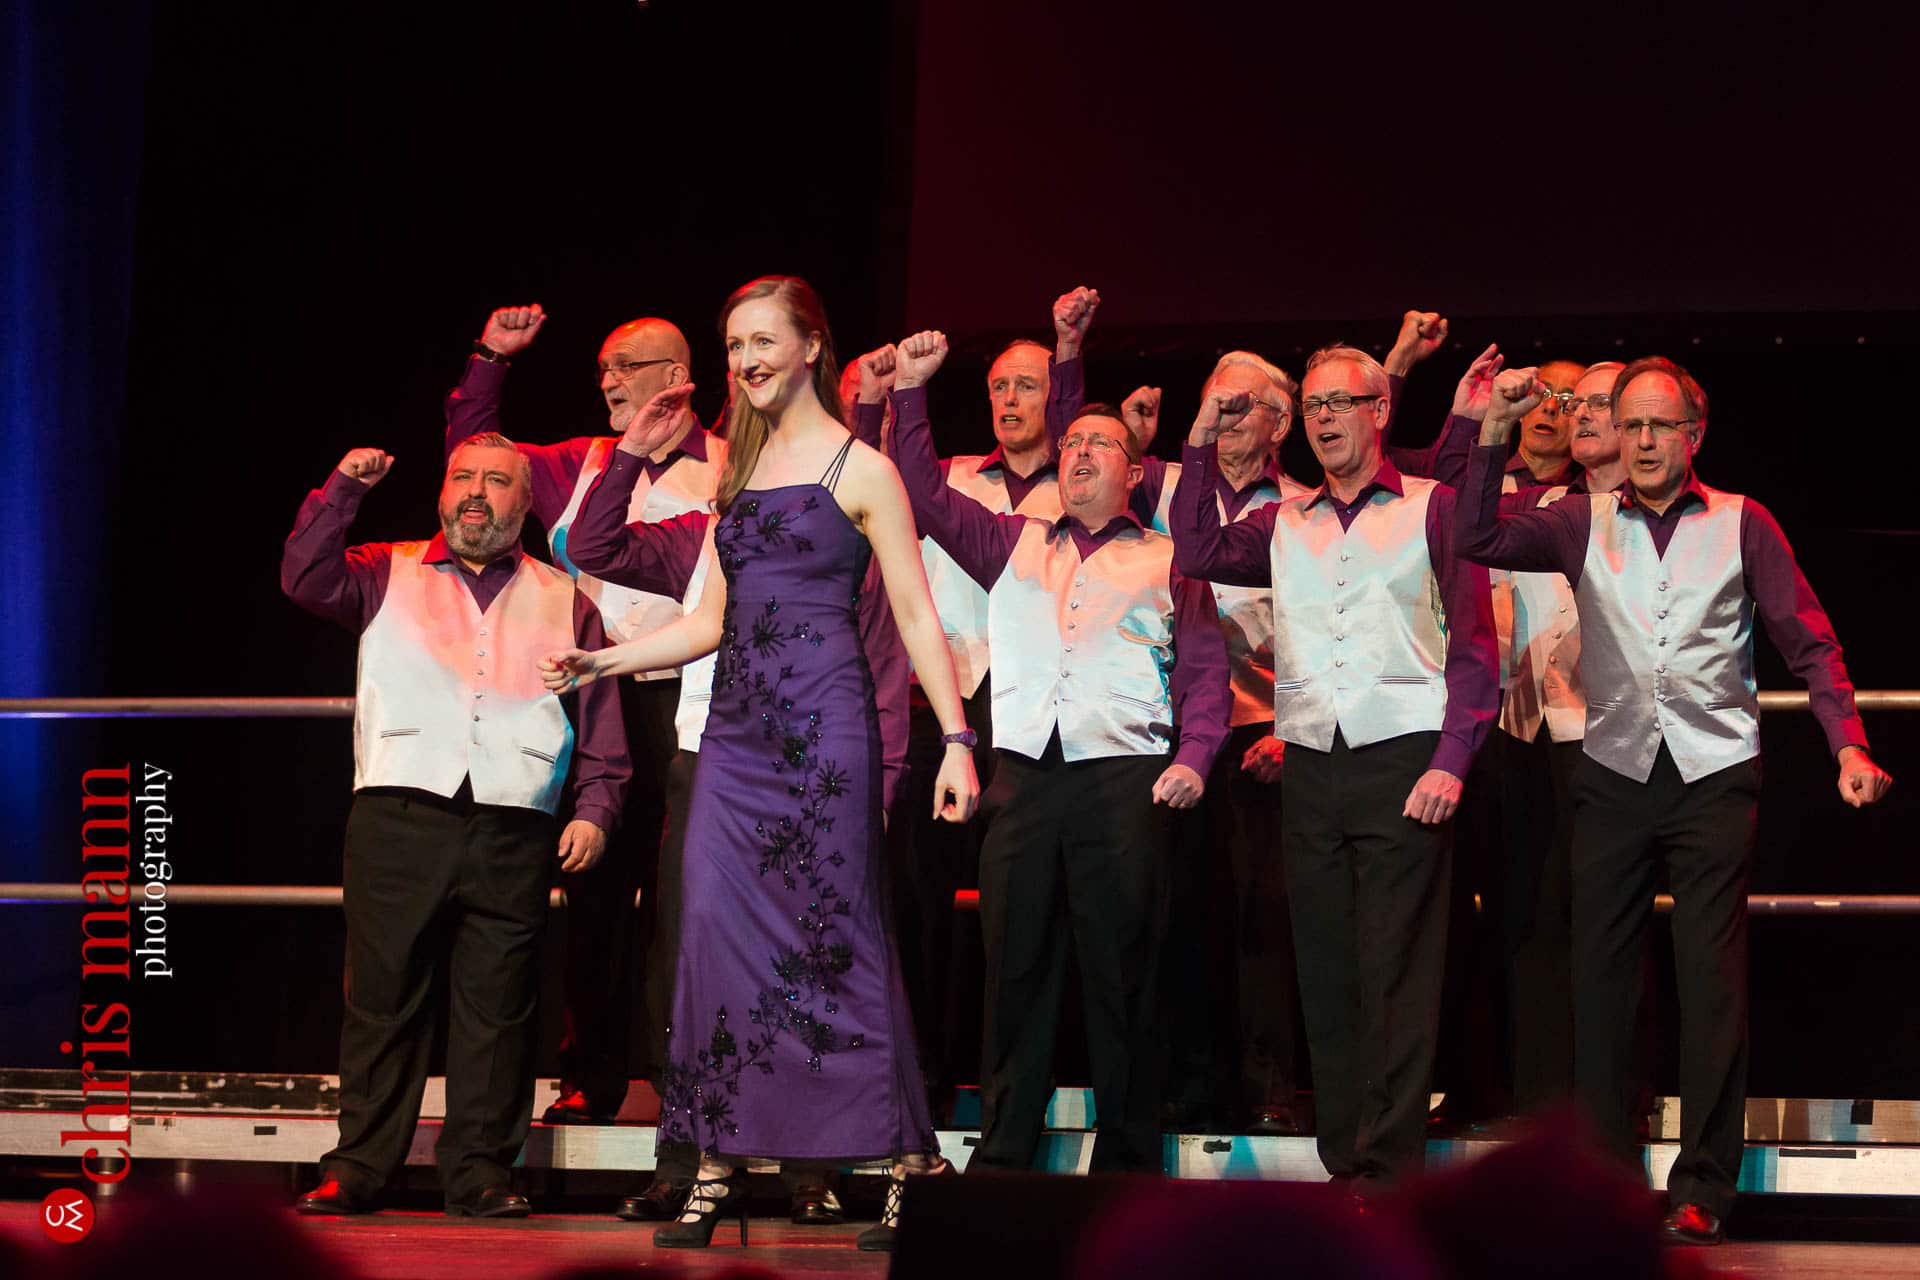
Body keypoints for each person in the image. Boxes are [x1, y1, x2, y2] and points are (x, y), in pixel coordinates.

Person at [541, 276, 978, 1254]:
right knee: (711, 944)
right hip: (733, 743)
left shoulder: (862, 468)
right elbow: (707, 620)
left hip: (823, 736)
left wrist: (956, 739)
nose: (745, 360)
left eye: (762, 341)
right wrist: (602, 657)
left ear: (813, 345)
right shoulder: (735, 470)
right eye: (733, 343)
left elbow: (915, 614)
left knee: (841, 946)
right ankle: (712, 1163)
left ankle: (908, 1162)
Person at [1456, 358, 1893, 1244]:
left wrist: (1848, 741)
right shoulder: (1579, 518)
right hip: (1614, 772)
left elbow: (1806, 638)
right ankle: (1609, 1189)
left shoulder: (1743, 522)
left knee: (1709, 979)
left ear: (1694, 435)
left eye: (1662, 426)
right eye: (1633, 425)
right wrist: (1488, 430)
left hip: (1713, 774)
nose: (1645, 441)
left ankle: (1703, 1187)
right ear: (1615, 433)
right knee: (1600, 982)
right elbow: (1473, 536)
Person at [886, 328, 1232, 1175]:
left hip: (1125, 781)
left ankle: (1125, 1161)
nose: (1078, 452)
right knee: (1015, 967)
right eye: (1071, 441)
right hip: (1027, 781)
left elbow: (1205, 672)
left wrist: (1193, 756)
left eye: (1098, 444)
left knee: (1122, 973)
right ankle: (1004, 1155)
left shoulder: (1169, 560)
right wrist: (910, 394)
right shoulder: (1012, 542)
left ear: (1134, 470)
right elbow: (924, 498)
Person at [1172, 345, 1498, 1190]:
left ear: (1380, 411)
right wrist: (1201, 438)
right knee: (1325, 964)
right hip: (1314, 763)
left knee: (1397, 965)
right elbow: (1199, 547)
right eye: (1311, 406)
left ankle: (1386, 1171)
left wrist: (1454, 759)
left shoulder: (1434, 507)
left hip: (1405, 760)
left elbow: (1473, 642)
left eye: (1339, 403)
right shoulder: (1285, 518)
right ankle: (1343, 1162)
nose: (1322, 419)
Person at [281, 434, 630, 1217]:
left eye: (498, 481)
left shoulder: (567, 596)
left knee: (499, 1004)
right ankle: (360, 1165)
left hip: (515, 821)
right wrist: (342, 488)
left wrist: (598, 807)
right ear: (443, 494)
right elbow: (303, 576)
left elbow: (600, 714)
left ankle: (478, 1172)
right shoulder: (384, 567)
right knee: (383, 996)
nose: (478, 493)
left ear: (526, 501)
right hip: (399, 813)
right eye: (464, 477)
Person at [448, 305, 724, 1130]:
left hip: (697, 702)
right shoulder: (583, 460)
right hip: (599, 698)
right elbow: (474, 453)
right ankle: (591, 1076)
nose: (606, 380)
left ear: (676, 378)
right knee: (597, 893)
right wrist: (491, 358)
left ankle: (690, 1085)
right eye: (602, 367)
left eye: (626, 366)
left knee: (688, 903)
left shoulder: (732, 463)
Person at [1490, 361, 1625, 1113]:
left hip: (1605, 728)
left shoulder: (1631, 508)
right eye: (1561, 404)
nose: (1569, 414)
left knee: (1604, 911)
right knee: (1529, 912)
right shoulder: (1542, 506)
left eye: (1587, 403)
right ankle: (1537, 1097)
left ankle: (1613, 1093)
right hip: (1525, 726)